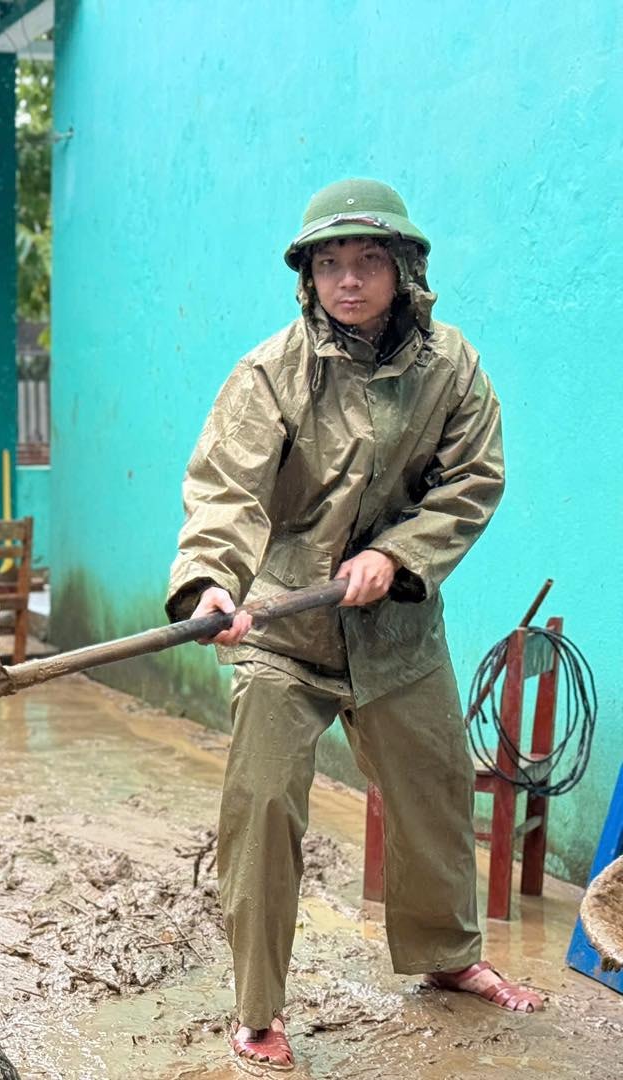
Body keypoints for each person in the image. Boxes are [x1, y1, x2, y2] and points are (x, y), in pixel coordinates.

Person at [165, 178, 540, 1071]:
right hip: (284, 629)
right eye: (329, 263)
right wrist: (210, 586)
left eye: (368, 260)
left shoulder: (454, 368)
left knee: (434, 794)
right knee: (259, 807)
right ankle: (258, 1008)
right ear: (308, 280)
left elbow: (472, 481)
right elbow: (226, 492)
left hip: (398, 635)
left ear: (405, 269)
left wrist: (401, 556)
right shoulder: (271, 374)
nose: (348, 280)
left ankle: (449, 957)